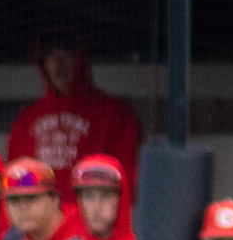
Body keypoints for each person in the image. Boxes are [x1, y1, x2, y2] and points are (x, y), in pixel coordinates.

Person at [7, 28, 142, 203]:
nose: (59, 63)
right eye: (51, 57)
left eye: (67, 55)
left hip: (93, 223)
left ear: (80, 61)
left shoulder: (114, 114)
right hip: (44, 224)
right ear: (42, 64)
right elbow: (16, 176)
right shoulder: (26, 120)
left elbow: (127, 176)